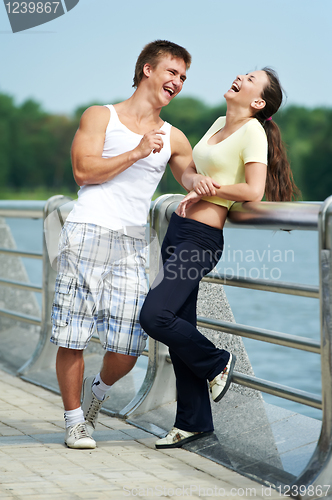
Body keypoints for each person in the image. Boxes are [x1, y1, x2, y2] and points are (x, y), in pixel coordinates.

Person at [140, 67, 299, 449]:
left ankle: (217, 362)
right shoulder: (215, 123)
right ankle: (193, 422)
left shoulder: (253, 132)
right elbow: (195, 172)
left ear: (258, 102)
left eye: (249, 79)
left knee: (154, 316)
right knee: (179, 326)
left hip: (202, 239)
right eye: (242, 73)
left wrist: (212, 190)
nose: (239, 78)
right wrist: (194, 183)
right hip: (178, 232)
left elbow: (253, 190)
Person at [50, 40, 192, 449]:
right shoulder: (100, 115)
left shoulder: (174, 136)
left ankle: (98, 390)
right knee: (72, 335)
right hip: (87, 233)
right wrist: (136, 151)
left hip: (132, 244)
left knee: (128, 349)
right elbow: (82, 171)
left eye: (183, 77)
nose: (177, 82)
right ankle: (75, 421)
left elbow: (195, 179)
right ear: (148, 69)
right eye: (172, 72)